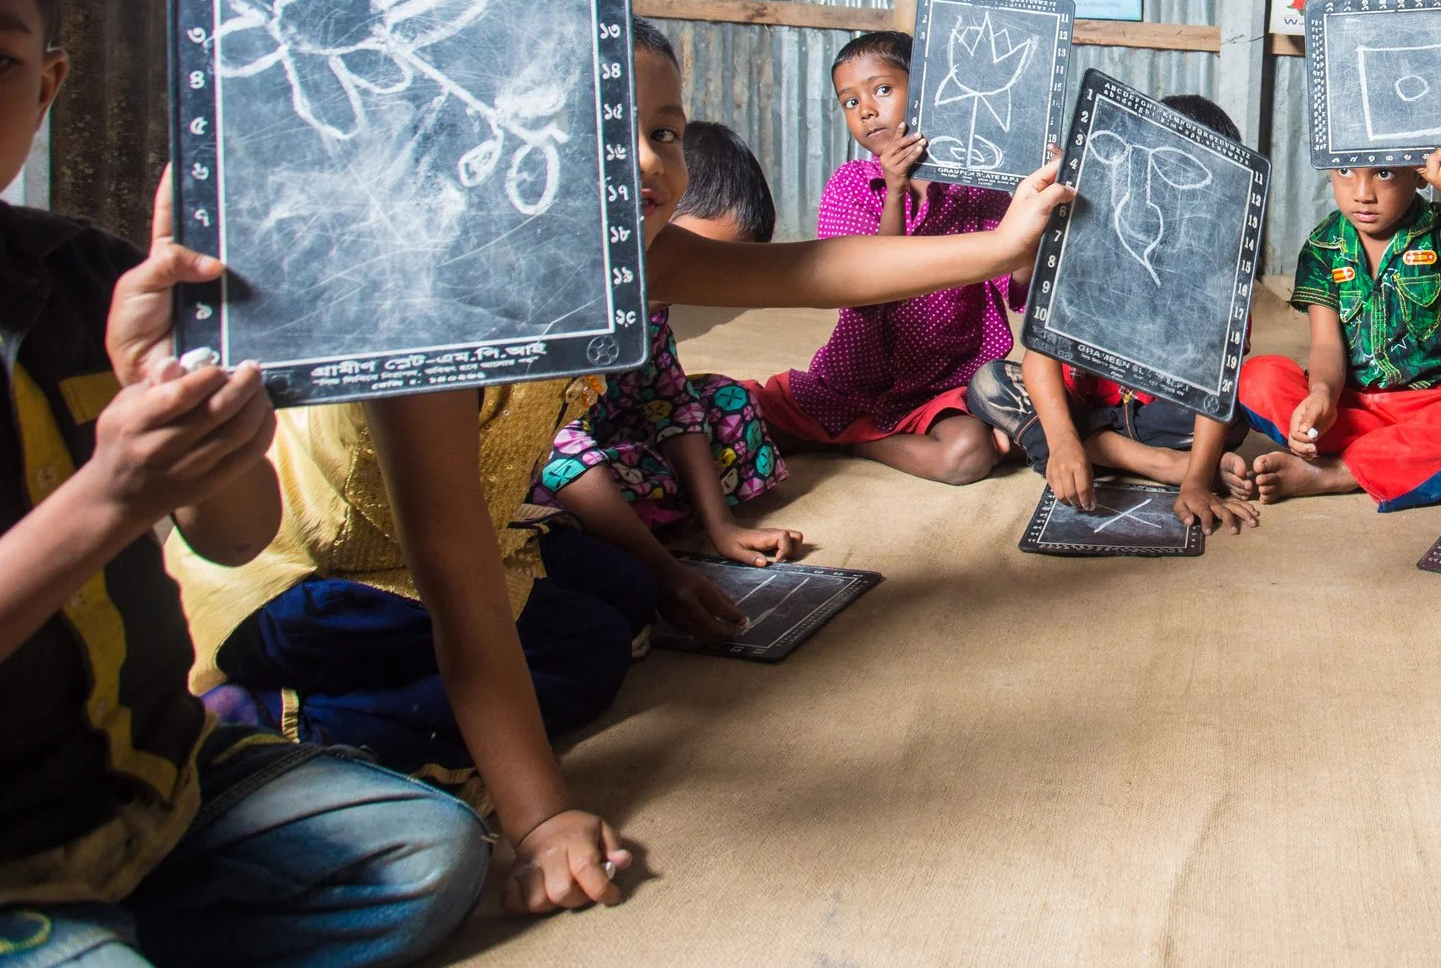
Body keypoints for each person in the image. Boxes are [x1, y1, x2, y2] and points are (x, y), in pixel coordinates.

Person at [171, 20, 1073, 911]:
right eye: (606, 132)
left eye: (664, 132)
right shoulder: (440, 306)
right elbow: (455, 575)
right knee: (588, 649)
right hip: (307, 579)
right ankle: (267, 721)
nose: (648, 160)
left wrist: (1001, 245)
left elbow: (818, 267)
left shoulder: (626, 257)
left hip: (452, 553)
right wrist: (539, 820)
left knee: (627, 593)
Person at [0, 0, 488, 961]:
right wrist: (107, 496)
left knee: (433, 850)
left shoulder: (87, 278)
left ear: (47, 84)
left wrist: (177, 398)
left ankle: (116, 923)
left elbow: (231, 530)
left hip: (159, 784)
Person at [532, 105, 806, 649]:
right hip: (552, 456)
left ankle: (641, 511)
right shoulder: (567, 306)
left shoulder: (652, 313)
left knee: (725, 400)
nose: (709, 284)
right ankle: (628, 524)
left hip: (620, 437)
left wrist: (721, 526)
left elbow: (671, 403)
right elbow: (557, 448)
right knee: (566, 482)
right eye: (699, 259)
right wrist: (664, 570)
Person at [966, 95, 1259, 537]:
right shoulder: (1089, 238)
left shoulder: (1219, 272)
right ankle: (1127, 457)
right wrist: (1064, 440)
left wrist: (1198, 480)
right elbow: (1040, 353)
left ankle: (1104, 453)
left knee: (1238, 404)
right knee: (988, 383)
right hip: (1085, 407)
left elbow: (1213, 386)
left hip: (1162, 417)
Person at [747, 32, 1020, 485]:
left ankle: (851, 440)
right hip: (850, 383)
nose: (867, 110)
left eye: (882, 90)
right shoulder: (850, 184)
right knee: (722, 412)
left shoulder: (976, 189)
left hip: (943, 388)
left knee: (966, 457)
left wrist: (1033, 210)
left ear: (934, 88)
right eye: (850, 102)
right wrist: (895, 191)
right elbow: (863, 290)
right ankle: (840, 427)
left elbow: (1017, 288)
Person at [1237, 152, 1441, 509]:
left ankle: (1339, 472)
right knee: (1255, 378)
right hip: (1347, 411)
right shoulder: (1323, 245)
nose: (1362, 193)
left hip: (1427, 407)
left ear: (1419, 175)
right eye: (1345, 171)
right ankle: (1425, 463)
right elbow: (1327, 346)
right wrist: (1323, 395)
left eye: (1384, 173)